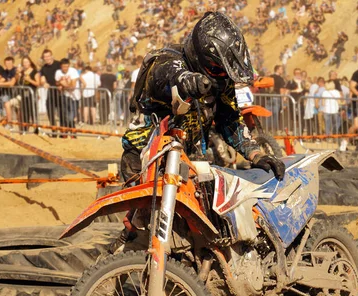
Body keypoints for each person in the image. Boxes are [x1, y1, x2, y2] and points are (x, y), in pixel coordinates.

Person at [121, 11, 284, 183]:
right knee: (145, 208)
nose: (222, 75)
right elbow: (167, 75)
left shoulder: (221, 81)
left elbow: (230, 121)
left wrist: (256, 155)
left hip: (184, 158)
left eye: (224, 70)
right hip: (143, 159)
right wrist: (188, 81)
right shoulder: (167, 61)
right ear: (199, 56)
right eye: (217, 68)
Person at [13, 56, 40, 133]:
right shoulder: (22, 72)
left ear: (30, 62)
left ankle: (36, 130)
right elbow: (17, 81)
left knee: (33, 113)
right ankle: (25, 130)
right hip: (24, 96)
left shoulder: (34, 72)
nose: (25, 64)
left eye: (27, 62)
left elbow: (38, 83)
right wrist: (18, 74)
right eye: (24, 62)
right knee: (25, 113)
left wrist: (29, 80)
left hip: (32, 95)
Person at [55, 58, 80, 137]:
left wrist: (63, 84)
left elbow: (73, 86)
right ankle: (67, 133)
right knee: (65, 115)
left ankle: (72, 132)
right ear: (61, 66)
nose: (65, 68)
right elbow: (57, 83)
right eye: (63, 67)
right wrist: (60, 83)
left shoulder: (73, 71)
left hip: (74, 96)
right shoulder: (58, 72)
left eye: (66, 66)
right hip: (64, 96)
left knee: (71, 116)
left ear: (69, 66)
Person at [40, 49, 62, 137]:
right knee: (50, 111)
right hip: (51, 92)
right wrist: (44, 83)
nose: (47, 58)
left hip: (60, 91)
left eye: (48, 56)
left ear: (52, 56)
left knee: (61, 113)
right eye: (45, 57)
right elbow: (42, 77)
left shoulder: (58, 64)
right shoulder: (44, 68)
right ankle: (54, 130)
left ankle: (63, 132)